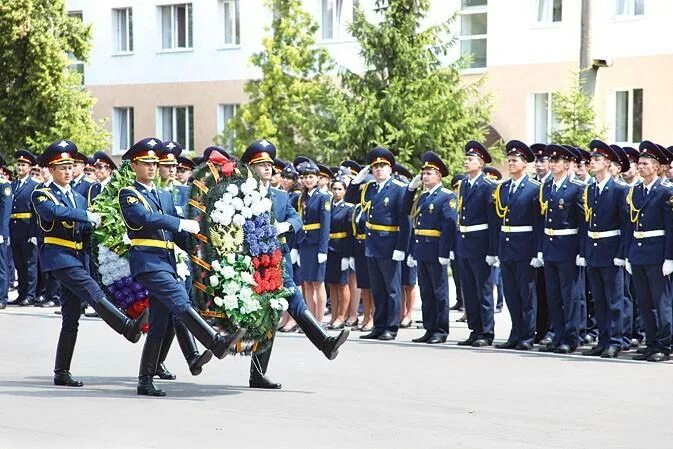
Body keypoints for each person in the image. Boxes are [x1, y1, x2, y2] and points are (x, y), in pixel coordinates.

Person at [119, 138, 245, 396]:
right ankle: (214, 341)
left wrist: (205, 244)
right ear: (134, 165)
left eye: (155, 163)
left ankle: (145, 380)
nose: (152, 167)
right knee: (180, 301)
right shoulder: (129, 194)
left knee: (158, 325)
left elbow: (179, 234)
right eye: (146, 163)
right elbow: (144, 219)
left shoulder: (163, 195)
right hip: (147, 261)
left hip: (166, 262)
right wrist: (179, 224)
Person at [31, 140, 149, 387]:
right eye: (61, 167)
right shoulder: (42, 193)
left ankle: (61, 371)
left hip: (77, 256)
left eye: (70, 166)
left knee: (71, 316)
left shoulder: (78, 196)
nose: (67, 171)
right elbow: (54, 213)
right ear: (51, 170)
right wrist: (87, 216)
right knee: (90, 288)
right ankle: (126, 326)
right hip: (58, 256)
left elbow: (86, 231)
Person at [240, 140, 349, 389]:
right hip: (257, 264)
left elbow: (294, 217)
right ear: (250, 168)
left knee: (296, 303)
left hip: (281, 260)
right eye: (261, 164)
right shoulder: (242, 195)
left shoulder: (280, 195)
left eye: (269, 164)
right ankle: (257, 373)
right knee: (267, 317)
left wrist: (287, 226)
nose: (268, 168)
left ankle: (325, 343)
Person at [347, 147, 410, 341]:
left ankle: (391, 327)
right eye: (375, 167)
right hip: (372, 244)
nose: (379, 170)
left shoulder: (399, 189)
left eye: (383, 166)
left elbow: (405, 222)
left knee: (392, 289)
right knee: (378, 288)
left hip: (390, 244)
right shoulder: (369, 188)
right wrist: (357, 179)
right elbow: (350, 199)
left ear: (390, 169)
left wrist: (401, 248)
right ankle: (379, 324)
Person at [577, 140, 628, 358]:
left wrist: (621, 254)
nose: (592, 162)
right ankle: (603, 339)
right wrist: (584, 251)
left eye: (597, 159)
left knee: (614, 300)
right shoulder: (590, 189)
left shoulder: (618, 189)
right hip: (594, 249)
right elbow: (585, 224)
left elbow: (626, 225)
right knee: (598, 298)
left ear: (608, 162)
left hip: (611, 249)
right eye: (591, 159)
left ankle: (615, 341)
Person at [626, 141, 673, 362]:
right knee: (644, 303)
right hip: (638, 252)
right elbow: (630, 226)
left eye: (645, 163)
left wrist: (669, 258)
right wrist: (628, 253)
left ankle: (664, 346)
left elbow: (670, 227)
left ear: (656, 166)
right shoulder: (635, 190)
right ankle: (651, 343)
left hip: (657, 253)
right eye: (639, 163)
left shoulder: (666, 192)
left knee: (661, 303)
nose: (640, 166)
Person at [492, 141, 541, 350]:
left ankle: (528, 335)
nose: (510, 164)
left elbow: (538, 224)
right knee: (511, 294)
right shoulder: (503, 188)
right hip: (507, 247)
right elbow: (497, 221)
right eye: (509, 160)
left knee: (526, 295)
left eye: (514, 161)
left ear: (525, 164)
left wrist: (537, 251)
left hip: (525, 248)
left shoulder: (534, 188)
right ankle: (515, 332)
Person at [403, 151, 456, 344]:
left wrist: (445, 252)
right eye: (423, 173)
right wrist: (410, 190)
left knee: (439, 292)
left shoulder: (446, 196)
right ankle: (429, 327)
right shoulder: (423, 197)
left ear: (439, 175)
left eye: (429, 173)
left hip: (436, 249)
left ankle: (440, 330)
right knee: (426, 291)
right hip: (421, 249)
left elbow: (449, 226)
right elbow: (409, 217)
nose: (425, 177)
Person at [538, 144, 586, 354]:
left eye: (556, 161)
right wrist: (540, 248)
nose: (552, 164)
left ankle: (570, 337)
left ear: (567, 164)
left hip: (568, 247)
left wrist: (581, 251)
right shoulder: (547, 187)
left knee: (570, 296)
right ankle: (557, 335)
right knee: (553, 295)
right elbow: (543, 220)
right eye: (551, 160)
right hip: (550, 247)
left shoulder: (576, 187)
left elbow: (583, 223)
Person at [455, 141, 497, 347]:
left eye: (470, 159)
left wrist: (492, 250)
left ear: (480, 163)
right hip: (465, 243)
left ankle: (487, 332)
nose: (466, 162)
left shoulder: (488, 186)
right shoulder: (464, 184)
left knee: (483, 290)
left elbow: (493, 221)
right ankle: (475, 329)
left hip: (480, 244)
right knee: (469, 291)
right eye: (466, 158)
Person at [294, 157, 331, 325]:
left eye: (311, 177)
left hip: (317, 244)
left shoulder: (323, 197)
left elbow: (325, 225)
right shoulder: (302, 198)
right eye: (305, 177)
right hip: (305, 243)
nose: (308, 180)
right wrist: (296, 246)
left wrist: (323, 249)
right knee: (307, 282)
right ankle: (311, 318)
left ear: (317, 178)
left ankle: (320, 319)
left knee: (318, 283)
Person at [7, 149, 39, 306]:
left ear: (30, 168)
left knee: (30, 265)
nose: (20, 167)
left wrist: (34, 233)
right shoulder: (12, 185)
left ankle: (30, 295)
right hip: (14, 229)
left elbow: (35, 211)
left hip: (28, 228)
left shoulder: (34, 185)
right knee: (19, 264)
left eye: (23, 165)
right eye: (18, 164)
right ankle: (21, 293)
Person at [325, 178, 354, 330]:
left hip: (341, 248)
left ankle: (342, 316)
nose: (336, 192)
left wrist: (347, 255)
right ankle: (334, 315)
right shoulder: (328, 206)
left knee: (342, 284)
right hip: (329, 248)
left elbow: (350, 234)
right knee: (332, 284)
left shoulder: (349, 208)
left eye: (340, 189)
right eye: (334, 189)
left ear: (345, 191)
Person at [531, 143, 552, 345]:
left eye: (543, 160)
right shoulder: (534, 185)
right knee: (538, 290)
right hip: (536, 245)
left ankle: (551, 329)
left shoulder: (552, 185)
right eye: (536, 161)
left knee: (551, 291)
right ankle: (539, 328)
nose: (539, 164)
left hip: (554, 243)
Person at [394, 163, 417, 328]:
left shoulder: (410, 202)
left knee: (409, 282)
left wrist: (411, 251)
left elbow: (410, 226)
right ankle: (401, 311)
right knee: (400, 281)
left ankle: (409, 313)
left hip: (409, 245)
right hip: (396, 244)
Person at [449, 174, 465, 315]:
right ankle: (460, 300)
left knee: (466, 277)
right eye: (455, 187)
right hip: (454, 244)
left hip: (465, 243)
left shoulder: (465, 202)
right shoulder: (453, 203)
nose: (457, 190)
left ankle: (466, 306)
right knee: (456, 275)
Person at [0, 155, 11, 309]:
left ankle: (2, 297)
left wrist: (2, 233)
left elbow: (5, 211)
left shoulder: (4, 185)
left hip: (0, 232)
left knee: (1, 266)